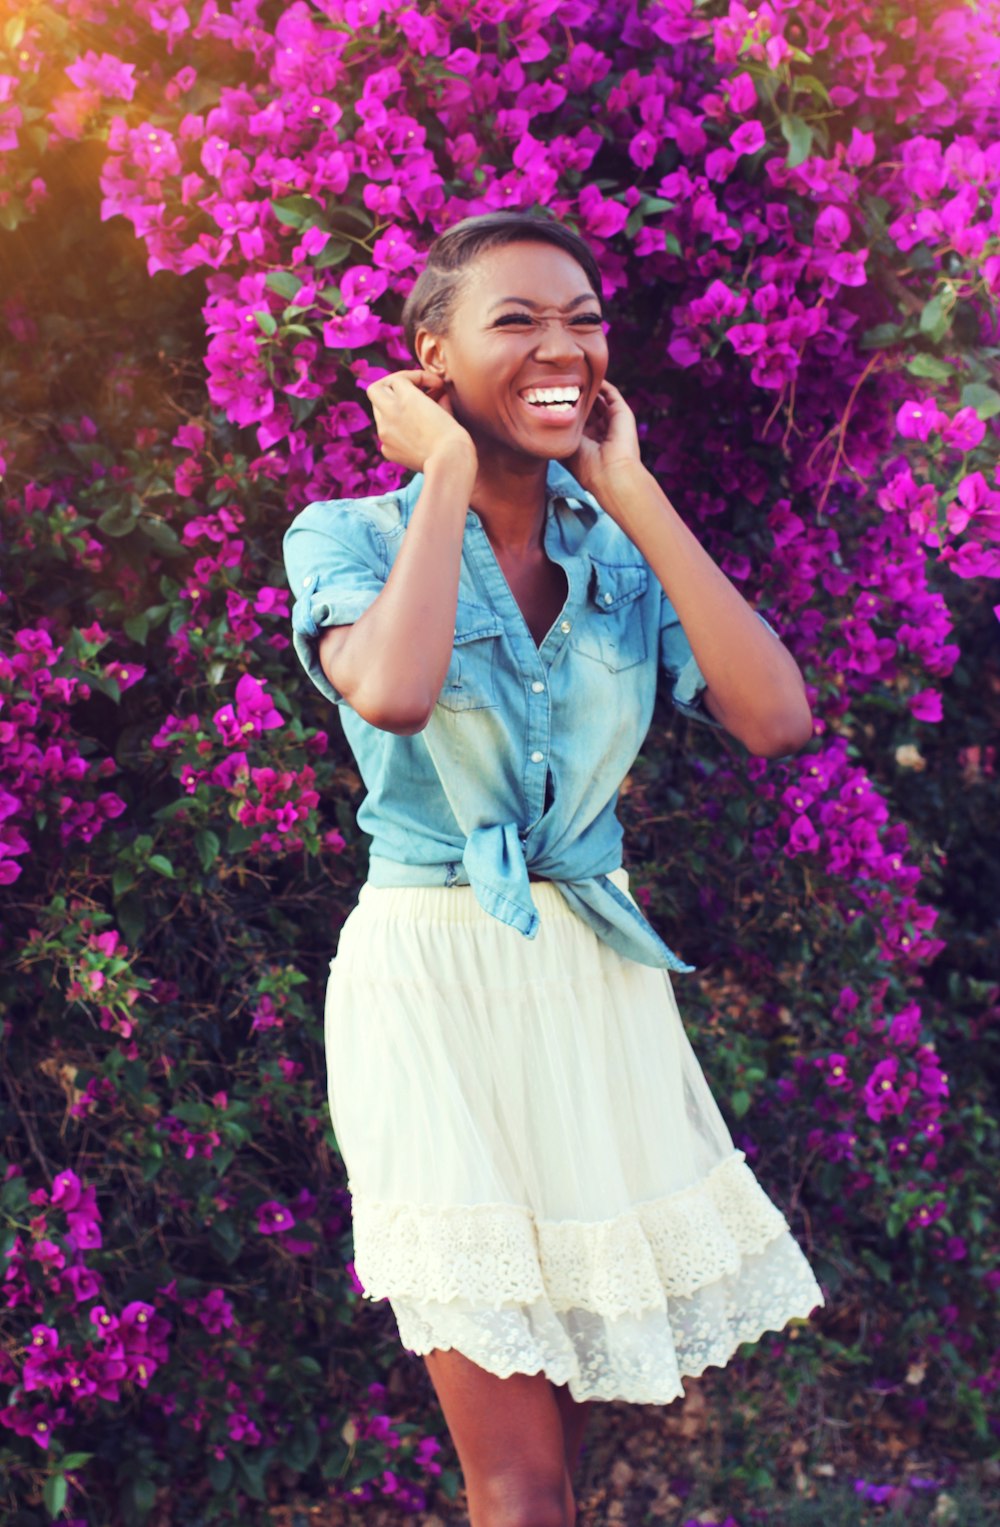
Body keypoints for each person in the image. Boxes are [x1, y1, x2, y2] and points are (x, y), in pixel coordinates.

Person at [283, 211, 825, 1527]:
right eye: (516, 320)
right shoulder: (345, 535)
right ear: (432, 359)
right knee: (515, 1471)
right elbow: (396, 692)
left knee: (558, 1470)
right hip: (432, 989)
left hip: (590, 985)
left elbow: (776, 719)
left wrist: (632, 493)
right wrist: (450, 483)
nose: (562, 348)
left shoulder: (623, 551)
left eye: (582, 318)